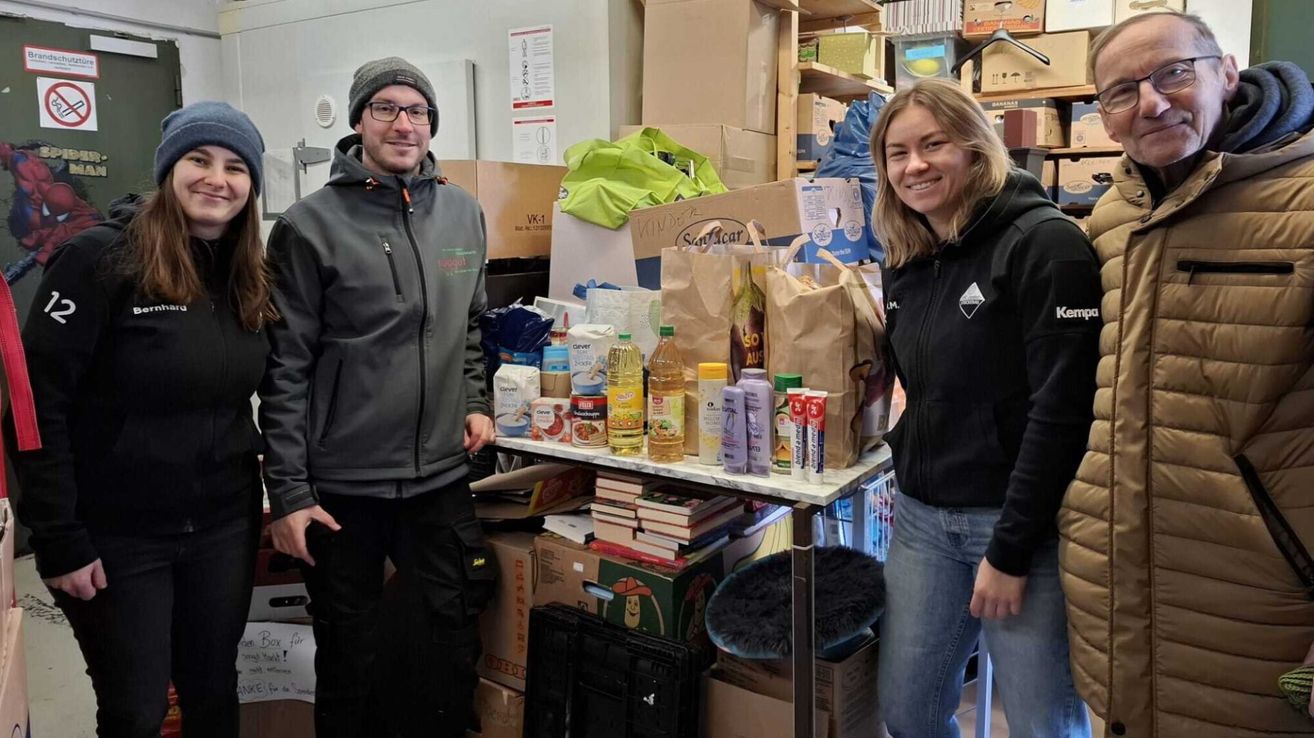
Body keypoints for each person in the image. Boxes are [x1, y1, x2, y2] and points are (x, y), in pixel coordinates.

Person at [1057, 11, 1314, 736]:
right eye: (1121, 91)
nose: (1152, 102)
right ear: (1104, 119)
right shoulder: (1111, 217)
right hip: (1120, 591)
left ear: (1226, 72)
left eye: (1173, 72)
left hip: (1262, 605)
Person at [4, 101, 273, 737]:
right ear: (168, 170)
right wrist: (60, 538)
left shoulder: (248, 275)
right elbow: (34, 405)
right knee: (137, 708)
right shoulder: (98, 259)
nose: (218, 178)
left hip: (221, 527)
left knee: (213, 692)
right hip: (119, 536)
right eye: (199, 159)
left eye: (237, 167)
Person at [259, 57, 496, 738]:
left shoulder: (463, 212)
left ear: (431, 123)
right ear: (359, 120)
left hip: (439, 475)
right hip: (345, 486)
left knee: (449, 641)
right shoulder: (310, 225)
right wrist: (291, 494)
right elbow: (286, 371)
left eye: (416, 110)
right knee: (350, 651)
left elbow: (469, 329)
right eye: (386, 108)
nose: (403, 123)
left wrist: (475, 401)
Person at [870, 79, 1100, 738]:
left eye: (933, 144)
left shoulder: (1045, 244)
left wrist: (1010, 550)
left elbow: (1063, 413)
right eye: (897, 152)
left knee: (1042, 724)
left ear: (974, 147)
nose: (915, 165)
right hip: (920, 522)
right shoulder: (909, 257)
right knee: (909, 711)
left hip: (1021, 526)